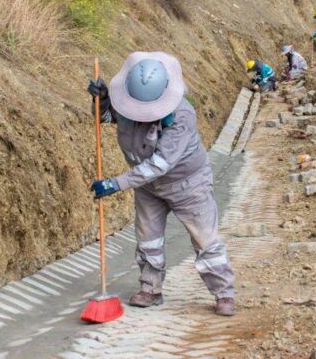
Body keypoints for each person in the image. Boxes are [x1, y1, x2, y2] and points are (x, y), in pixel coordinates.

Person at [87, 52, 236, 317]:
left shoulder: (182, 115)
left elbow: (160, 164)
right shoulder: (126, 101)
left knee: (206, 240)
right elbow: (106, 117)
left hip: (188, 185)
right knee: (148, 239)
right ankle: (150, 289)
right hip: (148, 188)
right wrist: (102, 100)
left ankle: (224, 293)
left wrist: (116, 183)